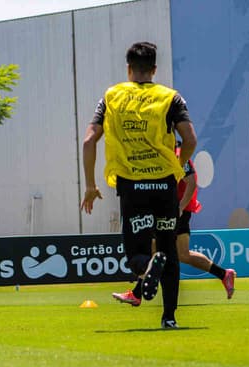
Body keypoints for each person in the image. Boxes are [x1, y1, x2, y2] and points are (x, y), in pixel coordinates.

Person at [80, 42, 197, 329]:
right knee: (169, 250)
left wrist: (91, 185)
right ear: (154, 69)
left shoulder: (112, 96)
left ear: (129, 69)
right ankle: (169, 318)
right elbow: (190, 139)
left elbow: (88, 141)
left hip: (132, 186)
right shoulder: (171, 97)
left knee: (136, 253)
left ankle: (147, 266)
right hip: (165, 186)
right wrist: (180, 167)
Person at [112, 143, 235, 306]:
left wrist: (180, 207)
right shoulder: (165, 152)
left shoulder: (177, 154)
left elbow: (191, 182)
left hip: (175, 209)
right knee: (182, 254)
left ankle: (137, 294)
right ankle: (224, 274)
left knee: (155, 248)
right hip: (173, 208)